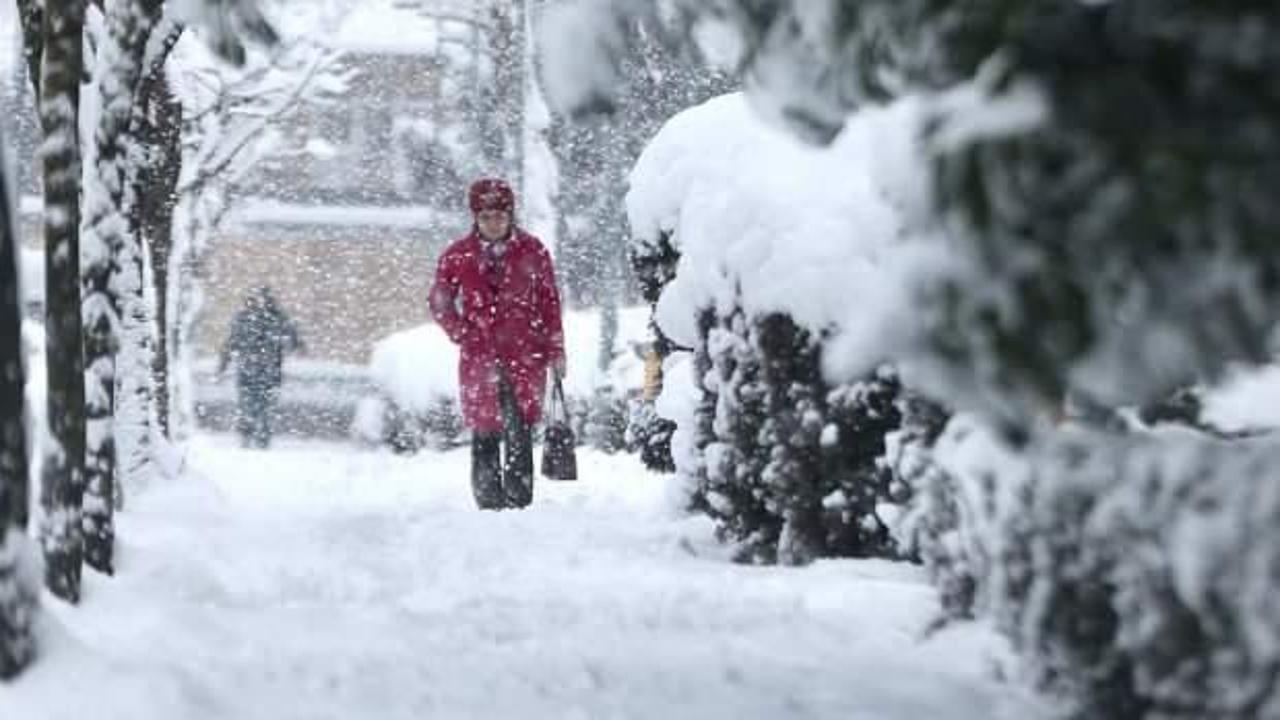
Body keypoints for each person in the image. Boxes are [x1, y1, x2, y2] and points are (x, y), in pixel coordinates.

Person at [429, 178, 566, 510]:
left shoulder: (533, 251)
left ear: (510, 215)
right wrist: (462, 332)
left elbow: (550, 304)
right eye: (486, 217)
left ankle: (519, 500)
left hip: (525, 355)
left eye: (500, 216)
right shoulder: (458, 255)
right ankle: (488, 502)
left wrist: (556, 350)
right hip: (480, 357)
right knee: (485, 429)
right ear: (475, 217)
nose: (493, 223)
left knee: (520, 429)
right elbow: (440, 301)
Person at [218, 285, 302, 448]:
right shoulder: (273, 318)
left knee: (255, 405)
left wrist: (224, 363)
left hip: (257, 370)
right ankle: (256, 435)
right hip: (262, 371)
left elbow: (231, 342)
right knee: (258, 405)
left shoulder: (257, 318)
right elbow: (293, 340)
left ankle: (254, 435)